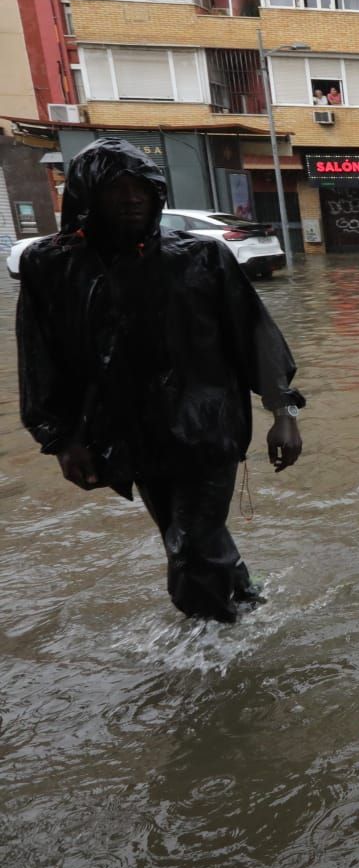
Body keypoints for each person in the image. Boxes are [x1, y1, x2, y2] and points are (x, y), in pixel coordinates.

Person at [16, 139, 304, 623]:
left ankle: (220, 656)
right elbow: (39, 360)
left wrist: (283, 413)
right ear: (87, 196)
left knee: (189, 547)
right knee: (184, 535)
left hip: (209, 426)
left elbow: (254, 335)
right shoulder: (52, 267)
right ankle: (246, 601)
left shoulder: (201, 257)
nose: (132, 199)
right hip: (130, 433)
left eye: (142, 189)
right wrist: (62, 438)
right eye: (117, 189)